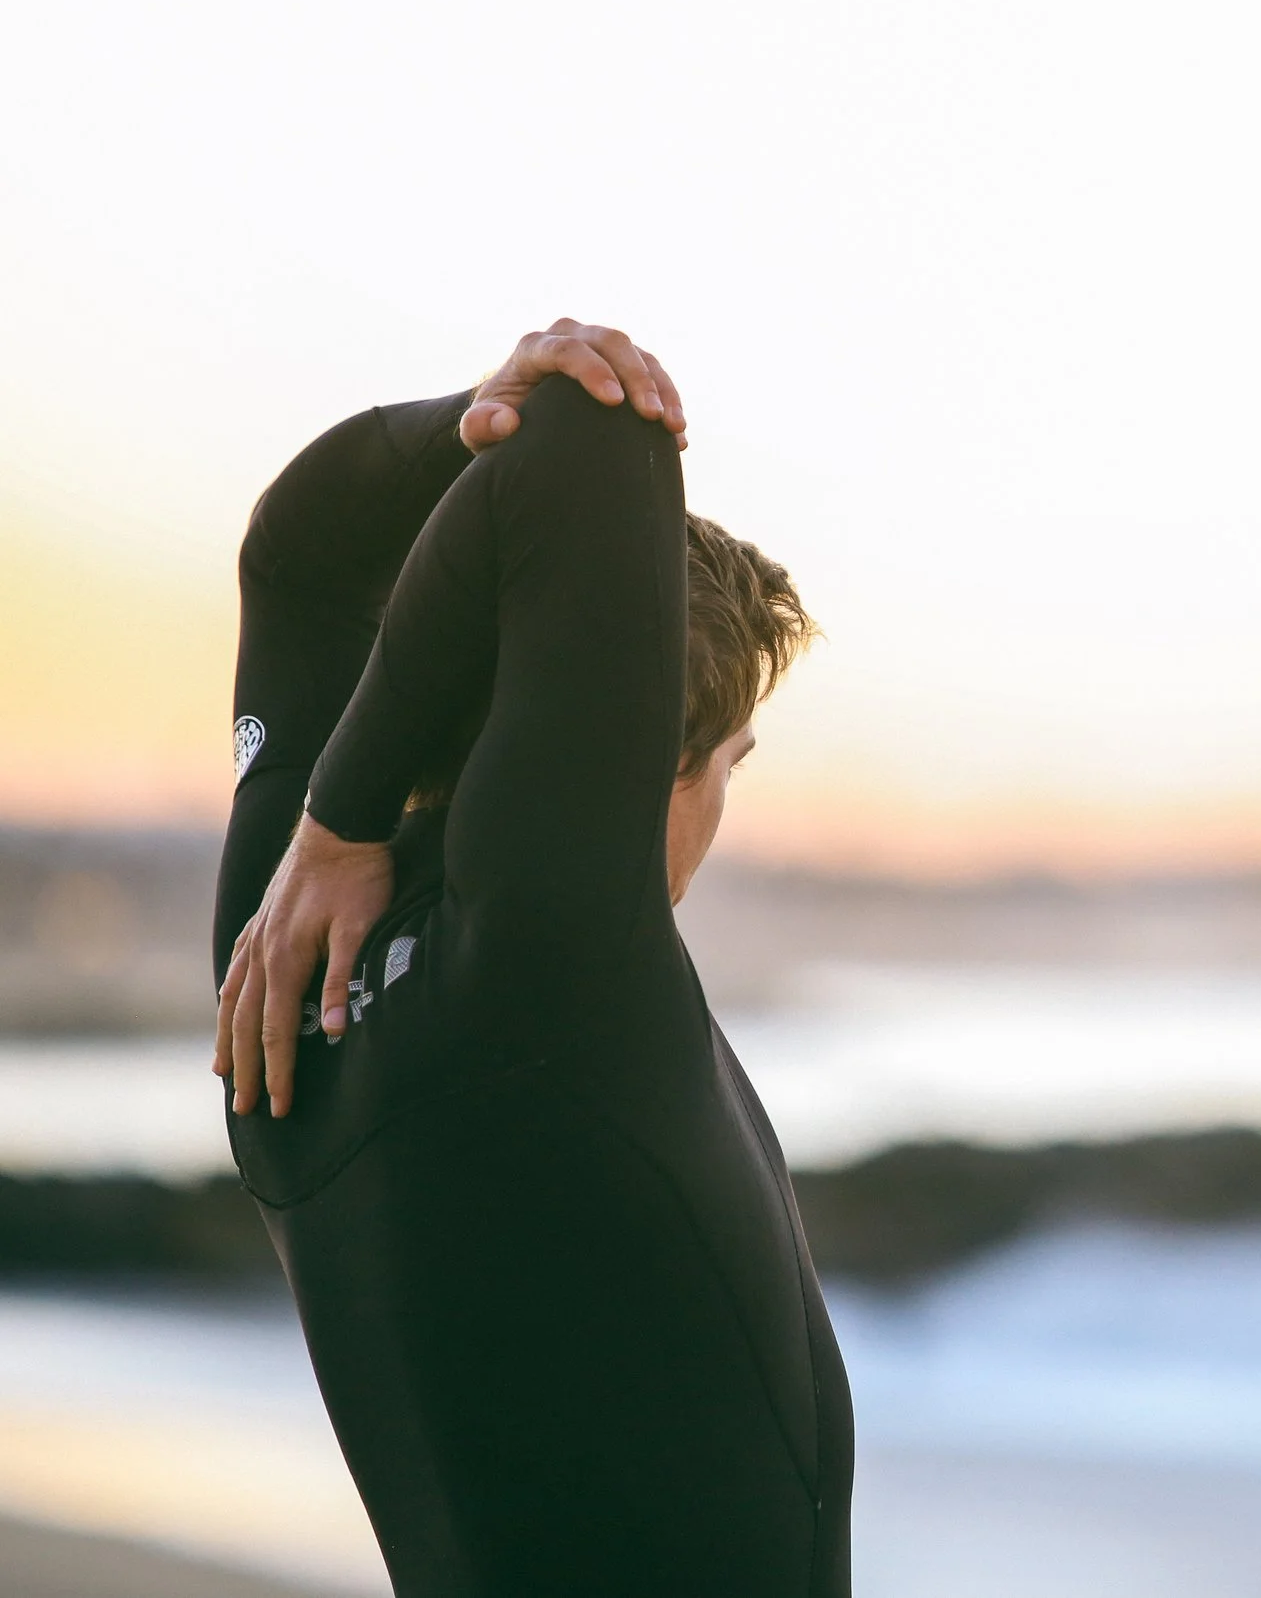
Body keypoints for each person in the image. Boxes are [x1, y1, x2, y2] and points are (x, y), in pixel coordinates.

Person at [211, 322, 852, 1596]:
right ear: (633, 758)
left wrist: (335, 825)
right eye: (728, 765)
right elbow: (595, 437)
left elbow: (297, 550)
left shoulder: (277, 983)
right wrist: (337, 820)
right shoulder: (550, 966)